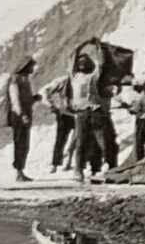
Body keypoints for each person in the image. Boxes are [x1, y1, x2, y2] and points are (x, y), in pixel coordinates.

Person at [70, 51, 110, 184]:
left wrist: (99, 49)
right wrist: (78, 49)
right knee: (81, 142)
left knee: (100, 140)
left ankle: (102, 167)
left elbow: (101, 65)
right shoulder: (75, 76)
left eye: (85, 62)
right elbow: (71, 60)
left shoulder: (93, 76)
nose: (82, 64)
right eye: (80, 62)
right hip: (81, 113)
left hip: (94, 110)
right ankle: (78, 169)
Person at [5, 57, 39, 182]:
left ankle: (20, 170)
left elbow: (25, 99)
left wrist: (33, 99)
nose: (32, 69)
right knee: (20, 143)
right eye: (31, 66)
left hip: (25, 114)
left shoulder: (25, 79)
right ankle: (19, 172)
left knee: (24, 144)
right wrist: (22, 115)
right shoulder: (16, 79)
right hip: (19, 116)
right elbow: (15, 100)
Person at [42, 73, 75, 173]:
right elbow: (45, 91)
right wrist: (52, 106)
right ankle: (55, 164)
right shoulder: (63, 80)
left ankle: (69, 162)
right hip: (65, 114)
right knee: (60, 140)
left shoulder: (85, 78)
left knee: (78, 139)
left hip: (80, 113)